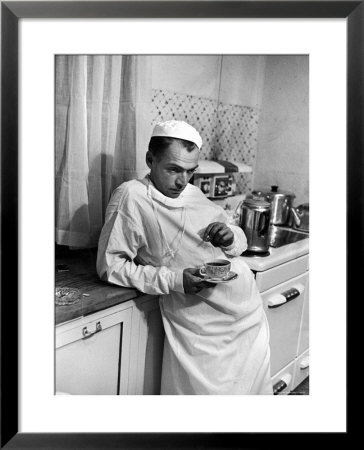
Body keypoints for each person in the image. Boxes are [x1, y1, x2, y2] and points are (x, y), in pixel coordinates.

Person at [97, 120, 272, 395]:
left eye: (190, 171)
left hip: (246, 315)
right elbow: (111, 266)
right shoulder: (131, 196)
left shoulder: (191, 193)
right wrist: (175, 281)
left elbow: (237, 241)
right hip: (201, 326)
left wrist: (229, 235)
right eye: (173, 169)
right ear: (150, 159)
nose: (182, 181)